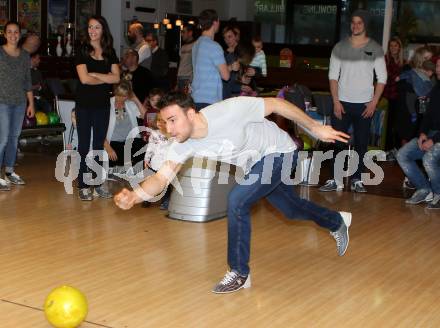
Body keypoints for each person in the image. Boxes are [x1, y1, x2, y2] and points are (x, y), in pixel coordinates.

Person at [114, 92, 352, 294]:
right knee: (291, 210)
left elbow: (277, 104)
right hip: (256, 166)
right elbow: (160, 178)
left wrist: (314, 128)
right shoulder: (181, 144)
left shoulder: (230, 110)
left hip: (280, 152)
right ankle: (337, 221)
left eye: (173, 120)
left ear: (191, 113)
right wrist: (135, 196)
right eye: (166, 122)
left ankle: (239, 272)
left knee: (237, 200)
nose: (169, 128)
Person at [319, 9, 387, 193]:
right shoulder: (339, 47)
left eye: (360, 22)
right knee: (337, 142)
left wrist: (374, 102)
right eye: (353, 22)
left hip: (365, 105)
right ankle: (335, 178)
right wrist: (335, 101)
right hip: (342, 102)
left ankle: (358, 179)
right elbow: (332, 76)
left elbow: (382, 78)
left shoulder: (375, 48)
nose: (355, 25)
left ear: (365, 25)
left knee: (362, 143)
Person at [75, 15, 120, 201]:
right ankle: (84, 185)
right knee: (84, 146)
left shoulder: (110, 52)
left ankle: (98, 183)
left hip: (102, 105)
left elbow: (117, 78)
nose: (92, 31)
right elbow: (84, 79)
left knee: (99, 145)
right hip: (84, 105)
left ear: (103, 30)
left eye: (97, 27)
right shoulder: (82, 50)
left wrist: (95, 74)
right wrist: (104, 76)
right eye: (90, 27)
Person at [396, 57, 440, 209]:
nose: (439, 69)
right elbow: (427, 116)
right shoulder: (435, 89)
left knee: (429, 158)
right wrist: (422, 134)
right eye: (438, 66)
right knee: (402, 154)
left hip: (437, 138)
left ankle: (438, 194)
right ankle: (424, 189)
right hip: (431, 135)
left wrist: (433, 140)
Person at [0, 21, 35, 191]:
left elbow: (27, 81)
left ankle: (9, 171)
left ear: (19, 35)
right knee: (3, 139)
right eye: (9, 32)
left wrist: (31, 103)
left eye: (16, 32)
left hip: (20, 103)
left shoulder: (25, 56)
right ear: (5, 34)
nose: (13, 35)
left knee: (14, 138)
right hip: (2, 102)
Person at [191, 9, 232, 111]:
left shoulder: (196, 45)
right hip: (209, 100)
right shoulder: (214, 46)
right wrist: (231, 67)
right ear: (215, 22)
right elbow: (226, 76)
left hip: (195, 98)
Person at [104, 81, 146, 174]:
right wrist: (107, 147)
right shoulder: (106, 104)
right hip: (114, 143)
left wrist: (135, 99)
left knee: (147, 149)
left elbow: (146, 116)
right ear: (115, 92)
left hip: (130, 142)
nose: (121, 98)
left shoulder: (130, 104)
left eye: (125, 96)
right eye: (119, 95)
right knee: (118, 167)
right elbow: (98, 129)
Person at [383, 37, 404, 154]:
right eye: (391, 46)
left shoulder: (403, 62)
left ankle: (395, 149)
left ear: (399, 47)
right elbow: (391, 76)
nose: (393, 48)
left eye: (395, 45)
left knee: (397, 124)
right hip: (388, 96)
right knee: (388, 124)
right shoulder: (385, 60)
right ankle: (387, 149)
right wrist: (399, 78)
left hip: (399, 97)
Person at [176, 24, 196, 92]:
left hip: (188, 79)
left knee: (187, 101)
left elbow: (197, 64)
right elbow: (181, 64)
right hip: (180, 78)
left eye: (184, 32)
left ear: (190, 33)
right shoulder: (183, 47)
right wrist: (177, 80)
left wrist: (191, 79)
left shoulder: (196, 45)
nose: (182, 35)